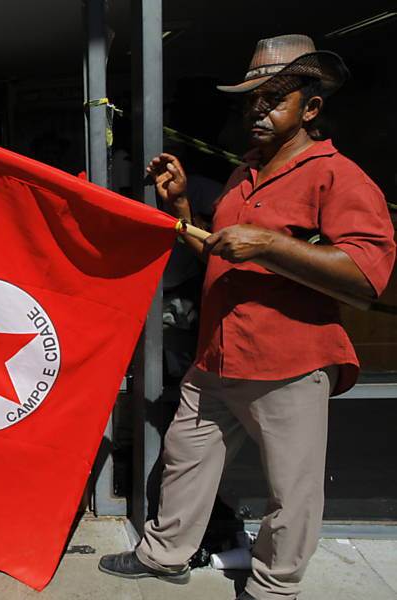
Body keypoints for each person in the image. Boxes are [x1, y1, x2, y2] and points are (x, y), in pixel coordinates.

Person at [98, 34, 395, 600]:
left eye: (272, 99)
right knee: (187, 457)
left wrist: (269, 245)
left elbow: (366, 276)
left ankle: (274, 586)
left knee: (293, 489)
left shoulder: (339, 177)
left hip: (289, 360)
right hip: (219, 354)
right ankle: (165, 555)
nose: (256, 111)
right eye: (249, 102)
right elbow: (219, 252)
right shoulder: (244, 172)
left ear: (310, 108)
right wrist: (183, 208)